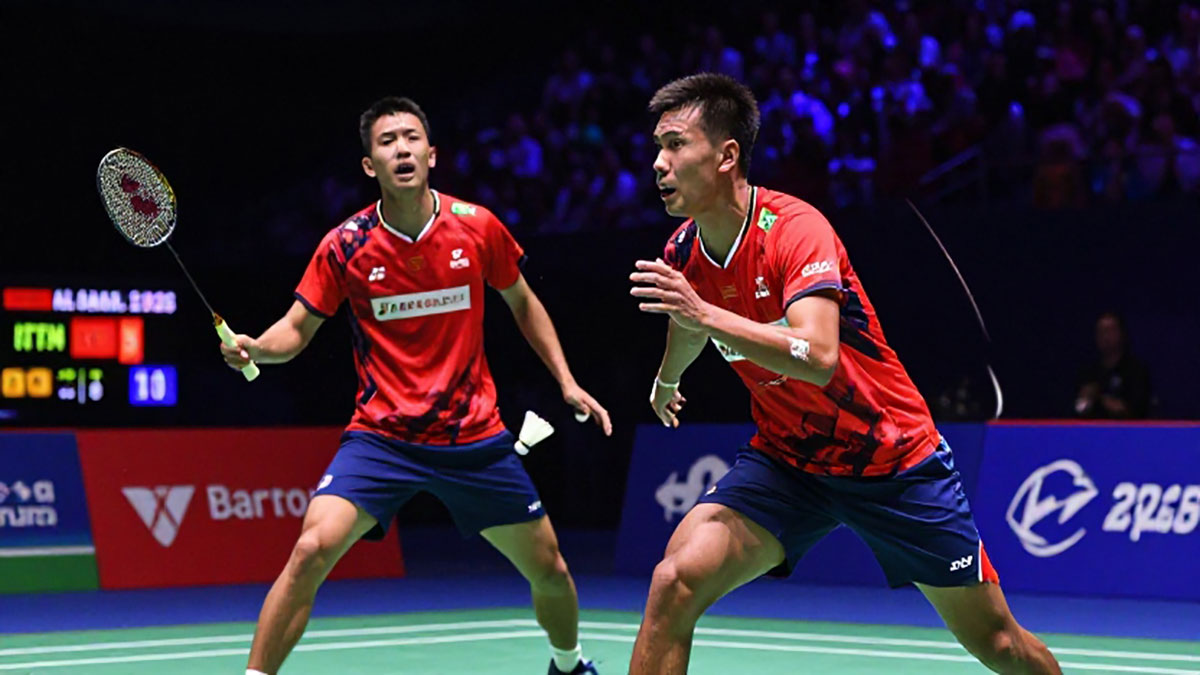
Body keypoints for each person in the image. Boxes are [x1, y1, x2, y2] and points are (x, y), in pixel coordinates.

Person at [627, 73, 1061, 675]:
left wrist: (705, 314)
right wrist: (668, 378)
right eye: (658, 147)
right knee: (674, 581)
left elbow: (817, 354)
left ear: (727, 155)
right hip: (790, 462)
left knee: (999, 644)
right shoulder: (683, 251)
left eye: (675, 144)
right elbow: (689, 321)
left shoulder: (796, 230)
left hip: (891, 461)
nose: (659, 163)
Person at [221, 96, 609, 675]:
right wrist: (256, 347)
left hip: (473, 437)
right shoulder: (345, 245)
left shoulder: (477, 227)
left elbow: (524, 303)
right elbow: (296, 330)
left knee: (549, 569)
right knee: (311, 549)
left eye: (410, 138)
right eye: (387, 142)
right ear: (369, 165)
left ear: (431, 154)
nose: (401, 149)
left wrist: (567, 381)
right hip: (382, 439)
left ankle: (568, 662)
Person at [1074, 311, 1153, 419]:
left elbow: (1137, 411)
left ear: (1121, 334)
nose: (1105, 336)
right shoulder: (1089, 372)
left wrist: (1100, 398)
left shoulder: (1136, 370)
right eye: (1101, 332)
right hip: (1094, 428)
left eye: (1110, 330)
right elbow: (1079, 410)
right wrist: (1084, 399)